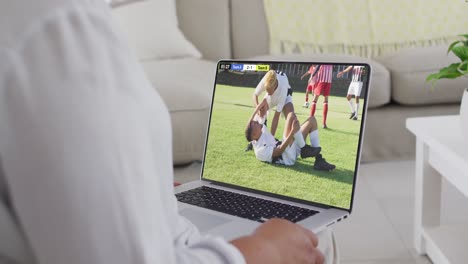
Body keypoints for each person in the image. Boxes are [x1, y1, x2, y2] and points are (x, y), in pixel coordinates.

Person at [0, 1, 337, 263]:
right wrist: (263, 252)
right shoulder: (60, 25)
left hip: (176, 227)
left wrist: (151, 190)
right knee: (322, 244)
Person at [245, 100, 336, 171]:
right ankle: (304, 148)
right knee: (291, 115)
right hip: (287, 157)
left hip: (290, 148)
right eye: (254, 124)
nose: (256, 121)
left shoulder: (258, 132)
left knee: (312, 120)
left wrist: (259, 106)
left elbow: (250, 122)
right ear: (254, 134)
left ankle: (318, 160)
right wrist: (292, 132)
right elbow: (279, 151)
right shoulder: (260, 151)